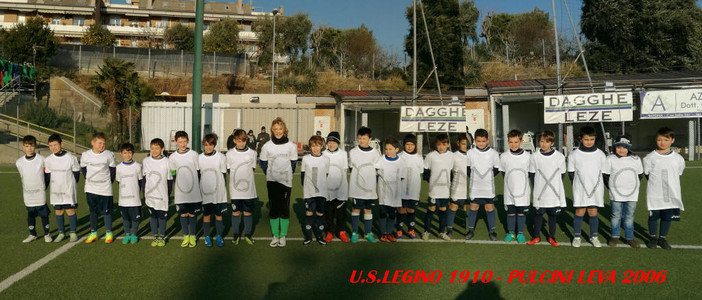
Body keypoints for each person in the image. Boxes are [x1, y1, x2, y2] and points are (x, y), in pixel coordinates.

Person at [643, 127, 685, 250]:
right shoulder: (649, 157)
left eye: (666, 140)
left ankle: (662, 239)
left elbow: (679, 172)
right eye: (659, 140)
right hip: (655, 194)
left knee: (667, 217)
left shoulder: (678, 158)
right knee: (653, 216)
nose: (662, 142)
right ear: (656, 140)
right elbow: (647, 174)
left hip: (671, 193)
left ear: (672, 140)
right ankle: (653, 238)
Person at [260, 118, 298, 248]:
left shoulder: (291, 146)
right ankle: (275, 235)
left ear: (285, 130)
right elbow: (263, 163)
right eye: (275, 129)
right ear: (271, 130)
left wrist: (286, 176)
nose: (278, 131)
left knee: (284, 209)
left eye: (280, 129)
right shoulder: (267, 146)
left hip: (286, 183)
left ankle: (283, 236)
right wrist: (271, 175)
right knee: (274, 209)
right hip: (272, 182)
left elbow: (293, 164)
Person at [568, 126, 608, 248]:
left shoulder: (600, 154)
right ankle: (577, 236)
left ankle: (594, 236)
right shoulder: (574, 155)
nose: (589, 142)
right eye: (586, 139)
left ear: (595, 138)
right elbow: (571, 174)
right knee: (580, 211)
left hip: (596, 188)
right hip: (580, 189)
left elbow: (604, 172)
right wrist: (576, 187)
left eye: (592, 139)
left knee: (593, 211)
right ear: (580, 139)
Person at [527, 130, 566, 247]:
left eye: (547, 142)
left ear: (552, 143)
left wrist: (555, 188)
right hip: (540, 193)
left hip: (553, 194)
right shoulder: (534, 157)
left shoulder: (559, 156)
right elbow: (532, 175)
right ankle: (536, 236)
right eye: (541, 141)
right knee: (538, 215)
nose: (544, 144)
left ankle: (552, 237)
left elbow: (562, 175)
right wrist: (536, 189)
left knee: (552, 216)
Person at [603, 135, 643, 248]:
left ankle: (629, 237)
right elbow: (605, 175)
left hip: (632, 194)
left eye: (624, 147)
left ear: (629, 147)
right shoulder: (610, 159)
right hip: (616, 194)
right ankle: (615, 236)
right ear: (614, 147)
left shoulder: (636, 159)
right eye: (618, 147)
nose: (621, 150)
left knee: (629, 216)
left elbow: (640, 175)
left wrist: (631, 187)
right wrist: (612, 188)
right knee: (616, 215)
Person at [80, 132, 117, 244]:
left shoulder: (109, 155)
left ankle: (109, 233)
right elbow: (84, 170)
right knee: (93, 211)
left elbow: (112, 171)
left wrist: (105, 183)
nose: (102, 145)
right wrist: (92, 181)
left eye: (104, 143)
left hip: (105, 189)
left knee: (106, 212)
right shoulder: (85, 155)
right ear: (93, 142)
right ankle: (93, 233)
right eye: (100, 143)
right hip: (91, 189)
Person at [465, 129, 501, 241]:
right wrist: (475, 178)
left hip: (488, 187)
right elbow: (467, 168)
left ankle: (492, 231)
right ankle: (470, 230)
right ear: (475, 140)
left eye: (483, 141)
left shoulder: (494, 154)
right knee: (473, 206)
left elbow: (496, 169)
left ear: (488, 140)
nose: (481, 143)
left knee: (489, 208)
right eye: (479, 141)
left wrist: (486, 178)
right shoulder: (470, 153)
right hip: (475, 186)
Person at [44, 134, 81, 242]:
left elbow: (76, 174)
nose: (53, 148)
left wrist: (71, 185)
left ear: (61, 144)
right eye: (50, 146)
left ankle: (73, 233)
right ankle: (61, 233)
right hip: (55, 190)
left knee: (70, 210)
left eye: (55, 145)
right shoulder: (48, 160)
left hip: (68, 189)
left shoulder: (71, 158)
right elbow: (48, 175)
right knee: (58, 211)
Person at [169, 131, 202, 248]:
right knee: (183, 215)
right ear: (176, 142)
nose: (182, 144)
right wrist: (176, 181)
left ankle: (192, 236)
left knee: (192, 214)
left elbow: (198, 171)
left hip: (193, 191)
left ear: (188, 141)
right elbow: (173, 172)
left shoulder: (194, 154)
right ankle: (185, 236)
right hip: (180, 192)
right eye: (180, 142)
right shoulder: (172, 157)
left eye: (184, 141)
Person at [16, 135, 51, 243]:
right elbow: (22, 176)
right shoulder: (19, 162)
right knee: (30, 213)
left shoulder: (42, 160)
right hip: (27, 193)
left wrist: (44, 187)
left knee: (43, 213)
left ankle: (47, 234)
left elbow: (47, 175)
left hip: (39, 192)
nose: (29, 148)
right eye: (26, 146)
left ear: (35, 146)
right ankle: (32, 234)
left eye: (31, 145)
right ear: (23, 147)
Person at [349, 127, 381, 243]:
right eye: (359, 138)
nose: (361, 140)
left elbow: (378, 169)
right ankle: (354, 233)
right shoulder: (352, 152)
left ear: (370, 139)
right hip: (356, 188)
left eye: (364, 138)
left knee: (368, 210)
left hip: (370, 188)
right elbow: (351, 167)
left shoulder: (375, 153)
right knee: (356, 209)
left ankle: (368, 233)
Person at [500, 129, 531, 244]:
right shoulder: (504, 156)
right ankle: (511, 232)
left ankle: (520, 233)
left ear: (521, 142)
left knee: (521, 212)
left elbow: (530, 172)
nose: (513, 145)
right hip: (509, 190)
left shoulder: (527, 156)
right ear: (508, 142)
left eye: (516, 142)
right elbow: (503, 172)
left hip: (523, 191)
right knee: (511, 212)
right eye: (511, 142)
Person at [227, 129, 258, 245]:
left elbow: (252, 169)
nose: (241, 143)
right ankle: (236, 234)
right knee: (235, 212)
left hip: (248, 191)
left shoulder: (252, 153)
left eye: (243, 141)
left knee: (247, 213)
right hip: (235, 191)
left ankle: (248, 234)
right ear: (234, 141)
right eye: (239, 141)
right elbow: (230, 170)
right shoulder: (229, 154)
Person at [422, 133, 453, 240]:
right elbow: (425, 171)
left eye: (444, 145)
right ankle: (426, 231)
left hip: (445, 190)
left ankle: (441, 232)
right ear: (436, 144)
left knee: (443, 210)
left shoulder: (451, 156)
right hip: (434, 190)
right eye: (439, 144)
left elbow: (452, 172)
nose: (441, 147)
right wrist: (430, 180)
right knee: (431, 209)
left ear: (448, 145)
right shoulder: (430, 156)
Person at [199, 133, 228, 248]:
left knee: (218, 215)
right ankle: (207, 237)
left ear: (214, 145)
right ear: (203, 145)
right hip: (205, 192)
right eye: (206, 145)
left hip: (218, 192)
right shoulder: (199, 158)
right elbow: (197, 175)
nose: (208, 147)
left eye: (211, 145)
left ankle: (219, 236)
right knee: (206, 215)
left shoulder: (221, 157)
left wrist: (222, 190)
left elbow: (224, 174)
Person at [143, 138, 172, 247]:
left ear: (162, 149)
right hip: (150, 195)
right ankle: (155, 236)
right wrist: (144, 191)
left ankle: (162, 236)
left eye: (157, 148)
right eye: (152, 148)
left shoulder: (167, 162)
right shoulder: (146, 161)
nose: (154, 151)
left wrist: (168, 193)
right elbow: (144, 178)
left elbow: (170, 179)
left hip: (162, 195)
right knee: (153, 216)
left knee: (162, 217)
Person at [301, 135, 330, 245]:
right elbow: (303, 176)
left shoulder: (326, 159)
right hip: (309, 192)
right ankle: (308, 236)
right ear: (310, 147)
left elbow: (325, 175)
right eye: (313, 146)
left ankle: (319, 235)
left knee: (320, 214)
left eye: (318, 145)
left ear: (322, 146)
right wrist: (307, 189)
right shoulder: (306, 159)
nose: (316, 148)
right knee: (309, 213)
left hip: (321, 192)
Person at [323, 131, 350, 243]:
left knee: (340, 214)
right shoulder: (323, 153)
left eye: (334, 142)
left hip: (340, 188)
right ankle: (330, 231)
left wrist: (342, 187)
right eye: (329, 142)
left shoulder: (343, 154)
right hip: (327, 189)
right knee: (329, 213)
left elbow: (343, 170)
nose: (331, 144)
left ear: (338, 143)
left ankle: (341, 232)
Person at [376, 137, 404, 242]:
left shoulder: (401, 162)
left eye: (390, 149)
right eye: (386, 149)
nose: (388, 151)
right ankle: (383, 233)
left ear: (396, 149)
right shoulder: (381, 159)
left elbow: (401, 177)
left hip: (395, 192)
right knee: (383, 212)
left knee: (392, 213)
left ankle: (389, 232)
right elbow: (377, 174)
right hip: (383, 191)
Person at [396, 134, 423, 239]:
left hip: (414, 190)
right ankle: (399, 230)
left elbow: (420, 173)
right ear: (404, 145)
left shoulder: (419, 158)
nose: (410, 147)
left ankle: (411, 230)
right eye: (407, 144)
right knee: (401, 209)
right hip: (402, 189)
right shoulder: (399, 156)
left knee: (411, 210)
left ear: (415, 145)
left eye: (412, 144)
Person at [116, 143, 143, 244]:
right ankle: (127, 234)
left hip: (135, 199)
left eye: (129, 152)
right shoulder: (118, 167)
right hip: (123, 199)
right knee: (125, 218)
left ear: (133, 153)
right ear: (121, 154)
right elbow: (119, 181)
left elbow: (140, 181)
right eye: (125, 153)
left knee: (135, 219)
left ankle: (134, 235)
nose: (127, 155)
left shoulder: (138, 166)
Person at [446, 135, 468, 239]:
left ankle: (469, 229)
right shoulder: (453, 156)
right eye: (463, 144)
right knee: (453, 206)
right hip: (457, 186)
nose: (465, 146)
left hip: (469, 187)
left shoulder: (472, 155)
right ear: (458, 143)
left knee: (468, 207)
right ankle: (449, 230)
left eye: (467, 144)